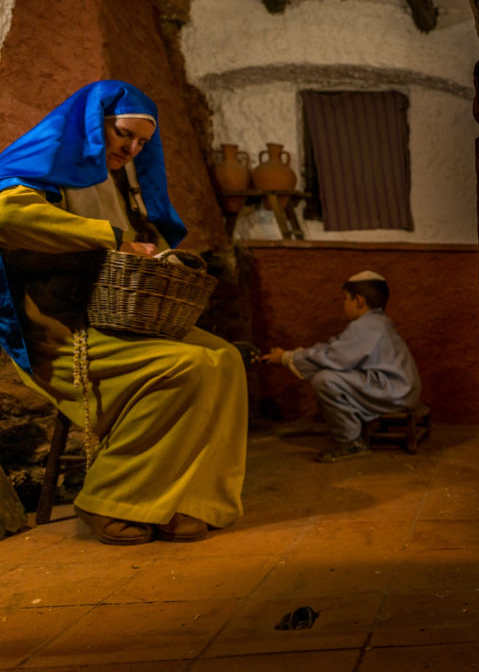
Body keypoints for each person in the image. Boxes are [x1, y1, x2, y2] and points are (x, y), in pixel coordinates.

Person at [0, 80, 247, 545]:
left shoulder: (118, 182)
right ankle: (110, 498)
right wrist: (109, 238)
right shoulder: (43, 163)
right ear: (95, 126)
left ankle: (186, 500)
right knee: (185, 367)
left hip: (119, 315)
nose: (132, 149)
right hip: (60, 325)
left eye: (142, 143)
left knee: (226, 359)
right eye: (123, 135)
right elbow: (6, 218)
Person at [261, 271, 422, 463]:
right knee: (326, 372)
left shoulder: (366, 326)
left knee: (326, 379)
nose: (343, 305)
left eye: (345, 299)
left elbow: (332, 357)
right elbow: (333, 349)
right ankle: (351, 430)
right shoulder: (375, 322)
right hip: (398, 389)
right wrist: (291, 356)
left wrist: (286, 358)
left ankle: (350, 442)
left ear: (358, 301)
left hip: (394, 392)